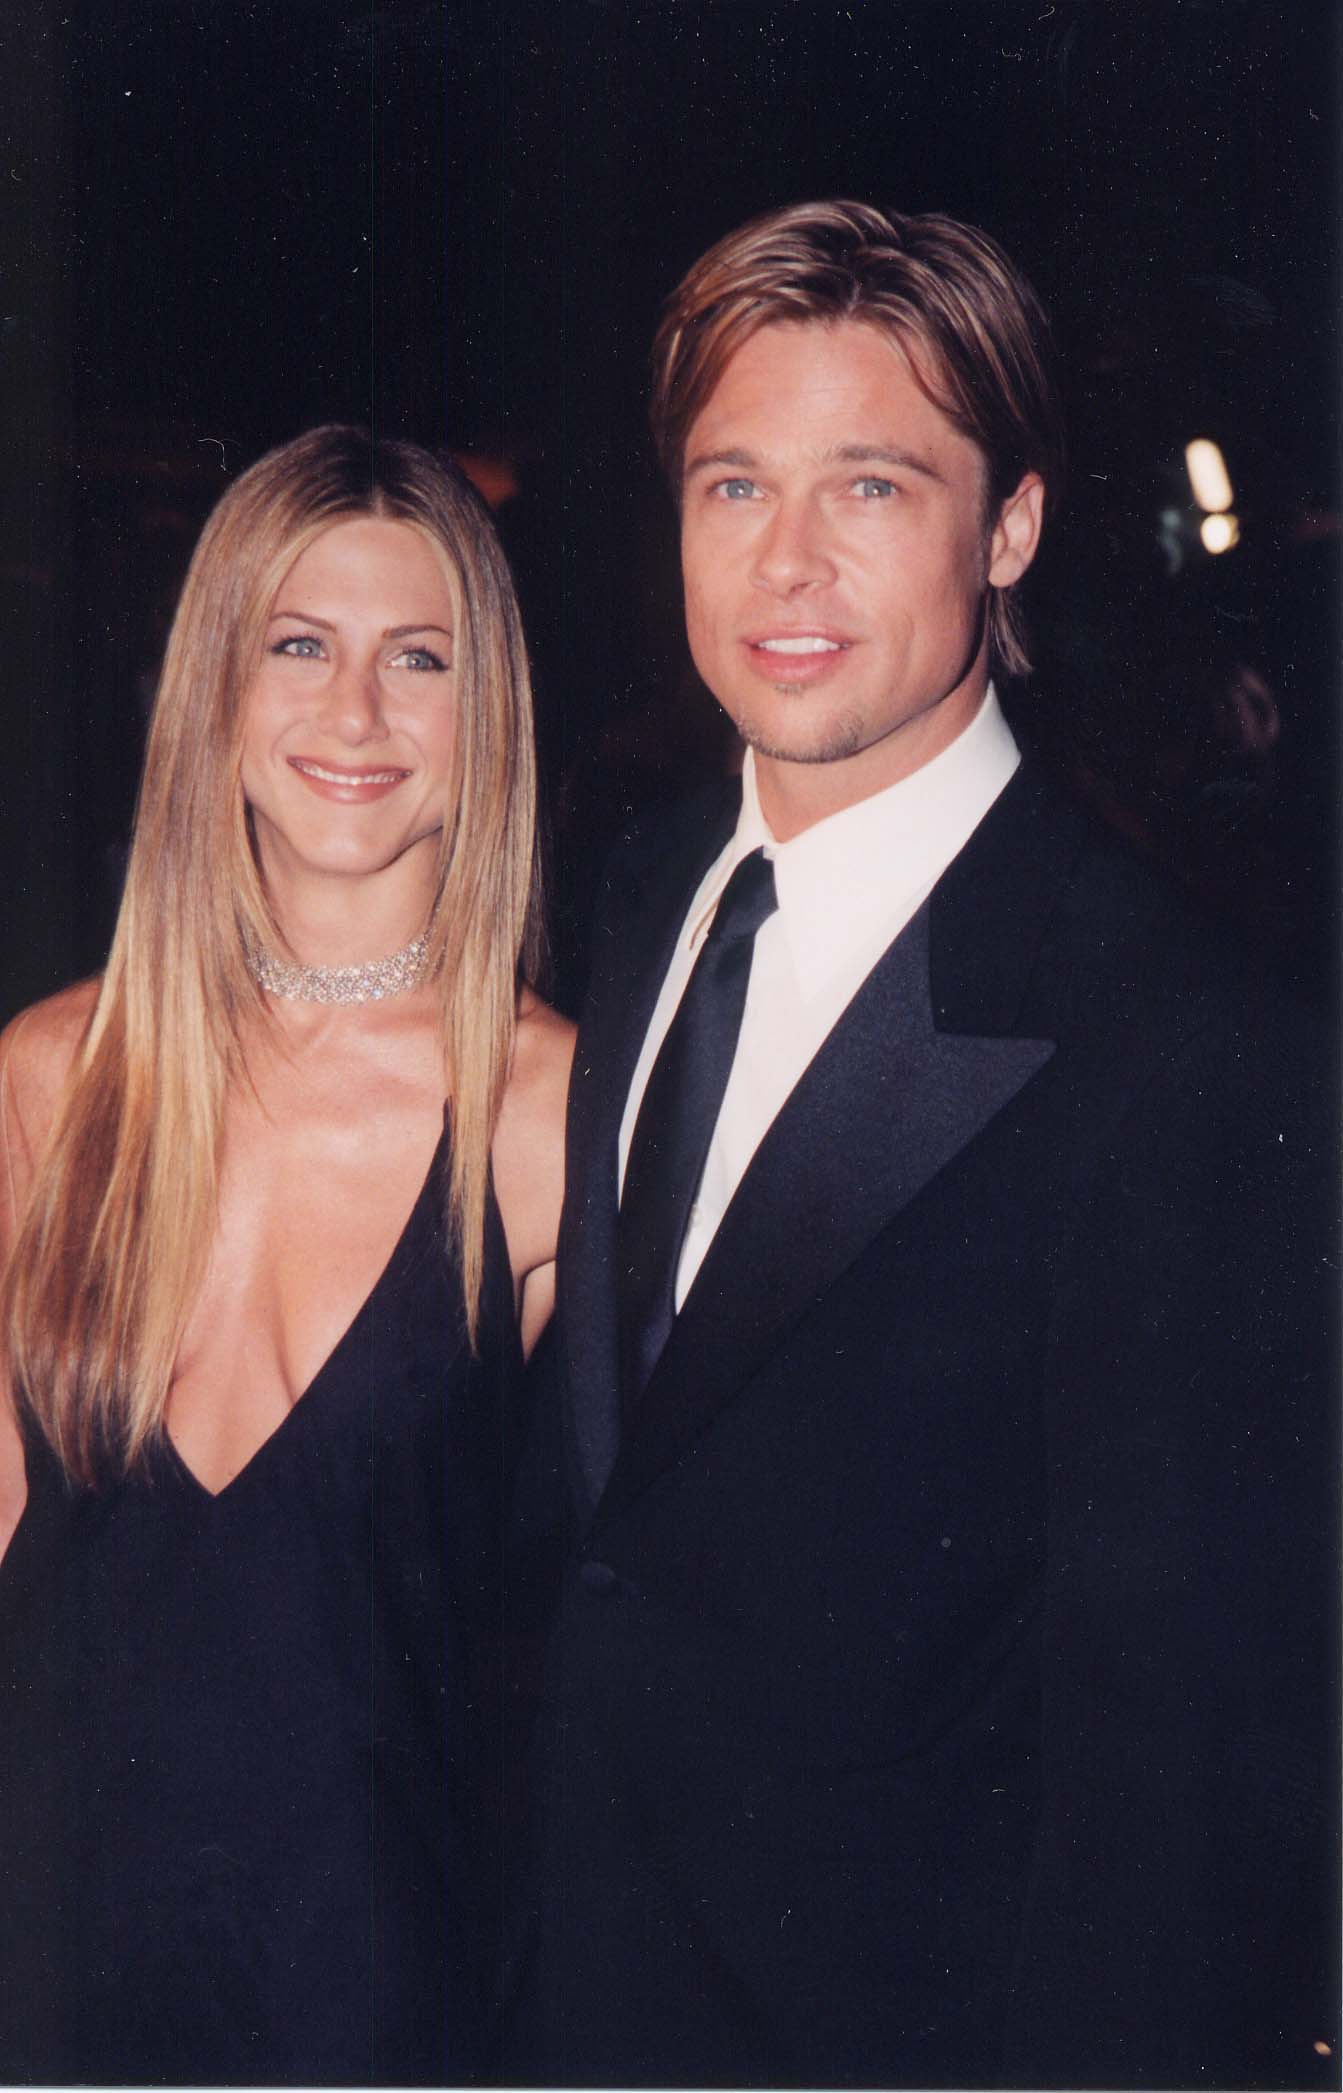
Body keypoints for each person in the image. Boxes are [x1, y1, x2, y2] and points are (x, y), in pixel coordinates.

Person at [503, 203, 1337, 2088]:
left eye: (869, 486)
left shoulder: (1190, 1048)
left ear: (1012, 528)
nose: (783, 563)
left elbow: (1188, 1829)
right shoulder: (643, 896)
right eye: (734, 485)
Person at [0, 425, 573, 2085]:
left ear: (489, 719)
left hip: (372, 2006)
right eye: (299, 646)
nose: (354, 715)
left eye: (420, 659)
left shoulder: (558, 1120)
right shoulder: (52, 1077)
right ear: (215, 692)